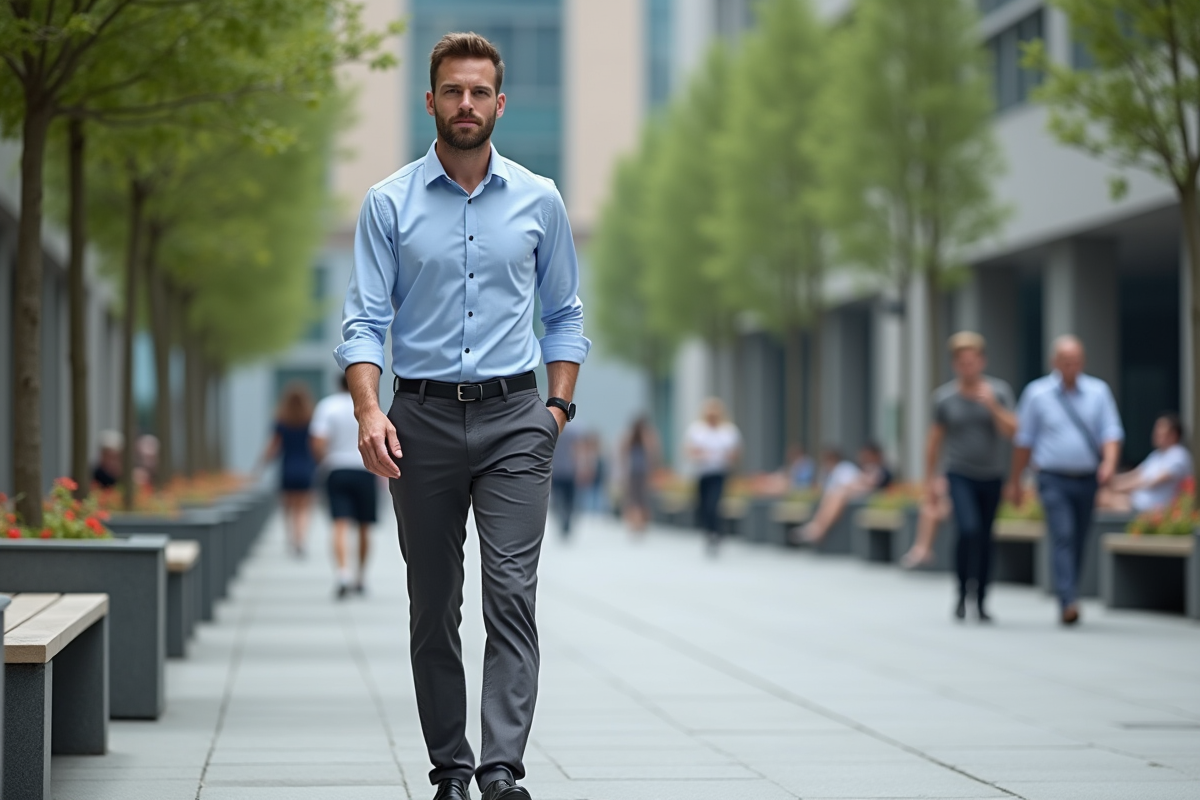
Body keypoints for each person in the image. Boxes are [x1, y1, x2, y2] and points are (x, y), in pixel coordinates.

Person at [334, 32, 588, 800]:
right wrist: (370, 410)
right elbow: (363, 321)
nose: (467, 105)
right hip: (422, 422)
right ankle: (450, 766)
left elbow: (565, 314)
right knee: (434, 600)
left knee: (511, 593)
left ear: (500, 103)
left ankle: (501, 767)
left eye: (480, 92)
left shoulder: (541, 199)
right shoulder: (388, 203)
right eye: (453, 91)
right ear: (431, 101)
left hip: (517, 417)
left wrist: (555, 411)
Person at [1008, 335, 1124, 626]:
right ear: (1054, 363)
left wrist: (1109, 464)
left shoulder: (1098, 391)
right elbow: (1024, 440)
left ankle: (1069, 591)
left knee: (1080, 536)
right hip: (1051, 477)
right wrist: (1016, 481)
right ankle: (1067, 599)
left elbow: (1110, 431)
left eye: (1076, 361)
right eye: (1066, 361)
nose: (1071, 366)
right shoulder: (1037, 393)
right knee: (1063, 533)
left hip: (1087, 478)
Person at [923, 332, 1017, 622]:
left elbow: (1012, 431)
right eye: (962, 362)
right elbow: (934, 442)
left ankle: (983, 600)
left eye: (973, 362)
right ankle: (963, 592)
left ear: (982, 362)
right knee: (968, 530)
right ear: (955, 364)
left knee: (987, 537)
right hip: (959, 473)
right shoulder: (944, 398)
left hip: (991, 475)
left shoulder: (998, 392)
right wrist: (930, 482)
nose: (968, 367)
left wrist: (991, 405)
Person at [311, 375, 378, 598]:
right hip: (365, 469)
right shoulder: (371, 407)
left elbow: (318, 442)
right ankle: (361, 577)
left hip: (336, 468)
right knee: (364, 526)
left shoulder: (327, 407)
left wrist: (324, 461)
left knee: (339, 523)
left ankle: (342, 573)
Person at [257, 382, 317, 556]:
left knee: (288, 507)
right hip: (306, 468)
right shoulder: (310, 421)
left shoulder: (281, 422)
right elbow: (315, 447)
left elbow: (273, 448)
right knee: (304, 507)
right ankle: (301, 539)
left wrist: (261, 465)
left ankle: (291, 538)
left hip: (288, 469)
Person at [795, 443, 892, 544]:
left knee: (839, 494)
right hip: (858, 497)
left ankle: (819, 530)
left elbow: (872, 486)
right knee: (834, 493)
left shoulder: (882, 470)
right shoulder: (866, 469)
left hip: (873, 501)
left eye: (867, 455)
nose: (864, 458)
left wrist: (857, 484)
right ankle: (815, 526)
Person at [1099, 413, 1192, 513]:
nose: (1156, 434)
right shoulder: (1156, 455)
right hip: (1136, 502)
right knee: (1101, 495)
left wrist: (1117, 487)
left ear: (1173, 435)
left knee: (1103, 498)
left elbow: (1151, 481)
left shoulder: (1179, 455)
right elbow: (1136, 474)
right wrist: (1111, 481)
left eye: (1161, 431)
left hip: (1154, 511)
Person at [685, 398, 742, 554]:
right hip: (703, 473)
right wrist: (709, 455)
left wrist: (713, 455)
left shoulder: (728, 431)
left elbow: (734, 454)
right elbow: (690, 451)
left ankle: (717, 532)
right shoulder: (697, 430)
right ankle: (709, 532)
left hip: (719, 473)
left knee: (714, 504)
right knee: (703, 506)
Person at [620, 416, 660, 533]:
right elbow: (653, 455)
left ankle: (637, 523)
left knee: (636, 498)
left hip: (636, 472)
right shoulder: (639, 437)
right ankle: (638, 523)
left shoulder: (634, 437)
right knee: (639, 498)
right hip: (640, 472)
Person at [550, 424, 580, 538]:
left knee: (558, 499)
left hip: (556, 470)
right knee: (569, 500)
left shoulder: (553, 430)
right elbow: (577, 452)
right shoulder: (574, 432)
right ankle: (566, 520)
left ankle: (562, 520)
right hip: (569, 470)